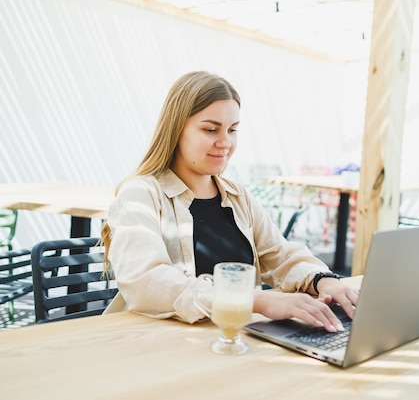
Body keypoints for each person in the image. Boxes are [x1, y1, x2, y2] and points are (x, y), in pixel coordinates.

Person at [101, 71, 358, 333]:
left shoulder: (236, 196)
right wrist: (254, 300)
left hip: (231, 341)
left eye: (232, 130)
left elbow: (279, 253)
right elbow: (147, 282)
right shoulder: (140, 194)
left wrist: (323, 280)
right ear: (176, 130)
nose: (225, 142)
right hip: (155, 345)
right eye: (211, 129)